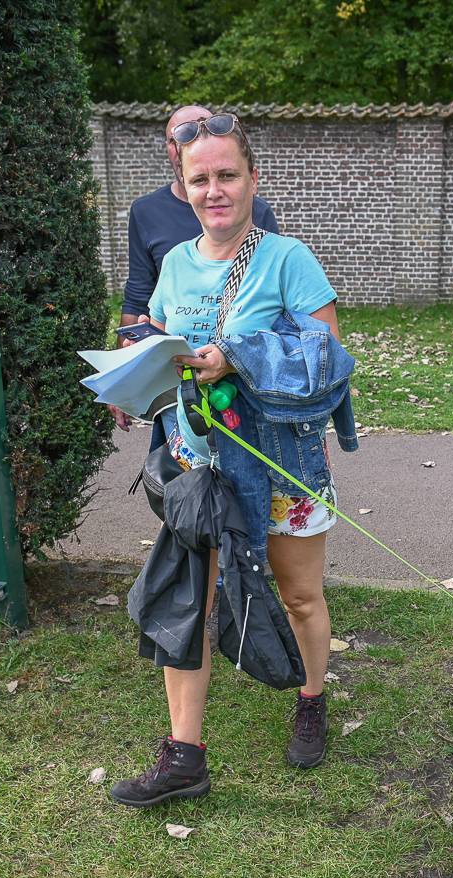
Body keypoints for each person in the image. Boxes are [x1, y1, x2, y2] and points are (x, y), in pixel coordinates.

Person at [109, 112, 350, 807]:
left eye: (227, 175)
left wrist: (235, 358)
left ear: (251, 179)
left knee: (298, 594)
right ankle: (185, 756)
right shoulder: (177, 263)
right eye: (200, 178)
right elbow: (160, 341)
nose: (214, 189)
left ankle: (310, 700)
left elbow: (326, 357)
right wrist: (133, 374)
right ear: (183, 188)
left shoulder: (288, 258)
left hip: (281, 465)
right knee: (192, 597)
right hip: (200, 462)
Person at [110, 105, 278, 435]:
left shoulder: (255, 212)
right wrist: (123, 377)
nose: (213, 192)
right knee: (184, 480)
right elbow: (137, 296)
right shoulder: (146, 212)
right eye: (175, 139)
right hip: (178, 389)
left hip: (246, 393)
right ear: (168, 148)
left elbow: (280, 306)